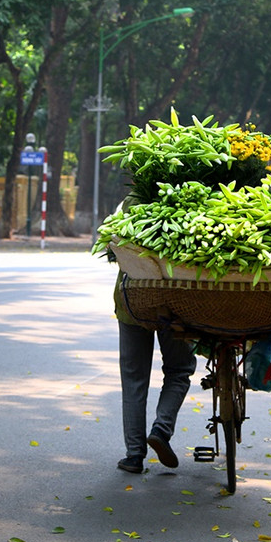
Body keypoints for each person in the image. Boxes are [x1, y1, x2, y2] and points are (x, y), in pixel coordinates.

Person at [112, 195, 196, 474]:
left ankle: (134, 455)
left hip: (133, 301)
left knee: (134, 378)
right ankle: (161, 429)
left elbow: (114, 249)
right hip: (177, 304)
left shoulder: (131, 202)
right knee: (180, 369)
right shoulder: (189, 203)